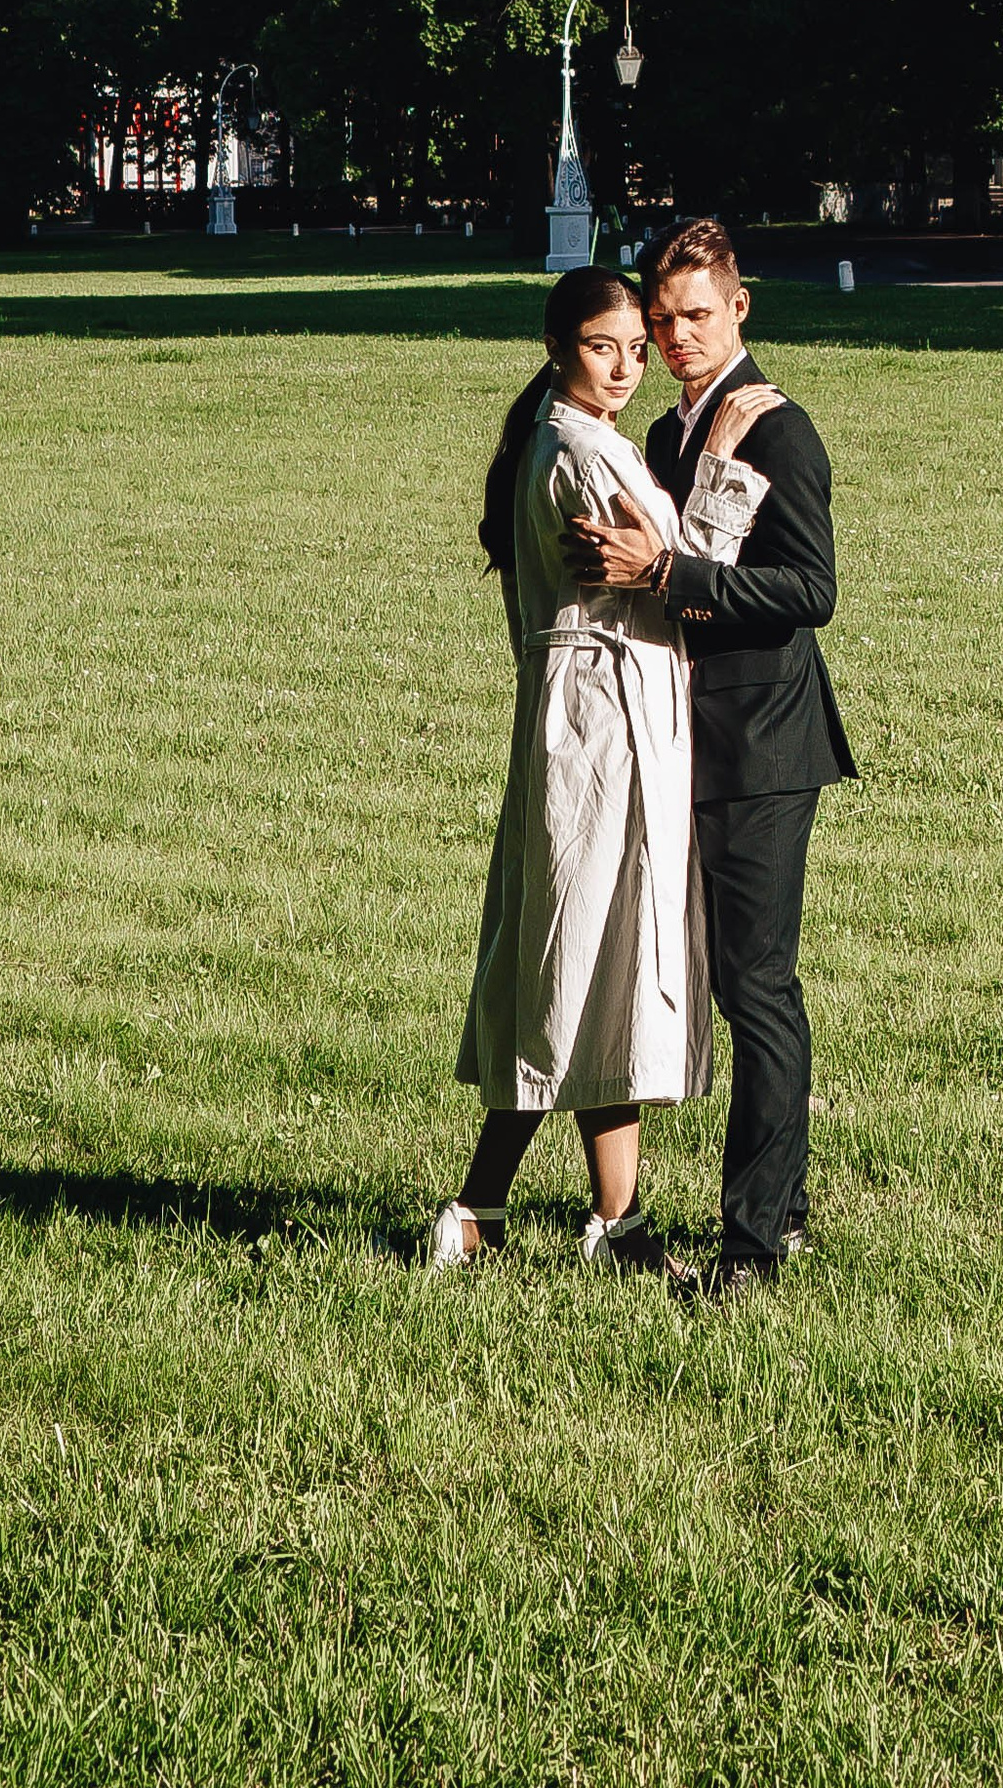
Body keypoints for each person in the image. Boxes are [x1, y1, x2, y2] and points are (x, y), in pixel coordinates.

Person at [571, 215, 854, 1294]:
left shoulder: (779, 430)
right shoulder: (665, 438)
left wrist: (670, 578)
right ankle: (777, 1204)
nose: (677, 336)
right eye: (661, 318)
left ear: (739, 308)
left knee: (757, 988)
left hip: (767, 746)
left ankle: (754, 1247)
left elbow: (810, 593)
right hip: (687, 735)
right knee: (724, 987)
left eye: (697, 315)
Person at [429, 266, 704, 1282]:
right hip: (598, 733)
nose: (627, 366)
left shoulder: (577, 436)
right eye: (604, 346)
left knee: (600, 966)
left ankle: (600, 1220)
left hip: (601, 723)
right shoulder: (580, 455)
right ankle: (484, 1209)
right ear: (558, 347)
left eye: (638, 347)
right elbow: (662, 576)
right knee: (576, 967)